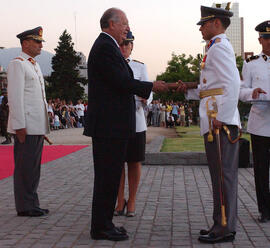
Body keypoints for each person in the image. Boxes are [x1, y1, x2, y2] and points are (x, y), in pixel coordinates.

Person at [83, 8, 167, 241]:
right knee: (107, 177)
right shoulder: (105, 47)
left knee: (109, 177)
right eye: (125, 24)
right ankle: (101, 227)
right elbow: (121, 81)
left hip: (112, 126)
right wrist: (150, 86)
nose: (127, 28)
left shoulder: (108, 46)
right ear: (111, 24)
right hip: (109, 126)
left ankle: (105, 223)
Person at [175, 4, 241, 243]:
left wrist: (222, 115)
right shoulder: (213, 48)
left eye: (204, 23)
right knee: (219, 176)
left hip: (220, 124)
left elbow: (233, 83)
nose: (201, 28)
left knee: (224, 176)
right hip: (215, 121)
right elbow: (210, 89)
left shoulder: (220, 47)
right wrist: (188, 91)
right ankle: (220, 223)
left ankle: (225, 227)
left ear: (216, 23)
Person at [7, 26, 50, 217]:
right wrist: (19, 126)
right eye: (37, 41)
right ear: (25, 43)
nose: (41, 45)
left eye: (41, 42)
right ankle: (25, 206)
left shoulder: (34, 64)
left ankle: (32, 202)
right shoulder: (18, 64)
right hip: (26, 126)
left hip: (36, 126)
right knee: (25, 167)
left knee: (33, 167)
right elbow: (15, 98)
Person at [114, 31, 153, 218]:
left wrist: (146, 98)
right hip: (118, 121)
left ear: (132, 47)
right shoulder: (112, 65)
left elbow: (148, 89)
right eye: (120, 44)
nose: (123, 48)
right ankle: (119, 200)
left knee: (134, 161)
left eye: (126, 45)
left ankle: (133, 200)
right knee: (118, 163)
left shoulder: (139, 66)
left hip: (136, 120)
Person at [239, 20, 270, 223]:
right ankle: (264, 210)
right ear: (260, 40)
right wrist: (253, 92)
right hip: (260, 123)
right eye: (266, 38)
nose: (269, 42)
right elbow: (240, 92)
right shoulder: (251, 64)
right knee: (261, 169)